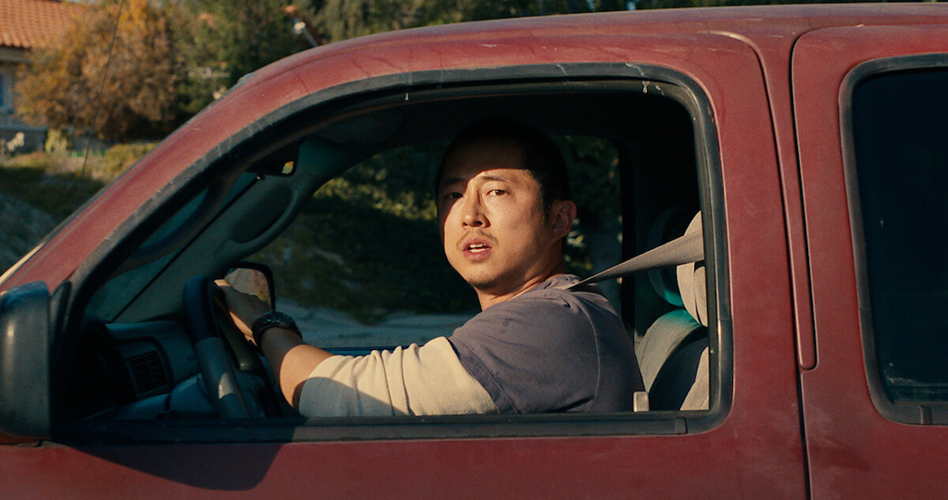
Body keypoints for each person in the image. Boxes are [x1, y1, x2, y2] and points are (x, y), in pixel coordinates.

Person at [219, 118, 643, 416]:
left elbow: (335, 395)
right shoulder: (560, 313)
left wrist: (263, 322)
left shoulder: (552, 324)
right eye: (453, 195)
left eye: (496, 192)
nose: (469, 215)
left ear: (559, 219)